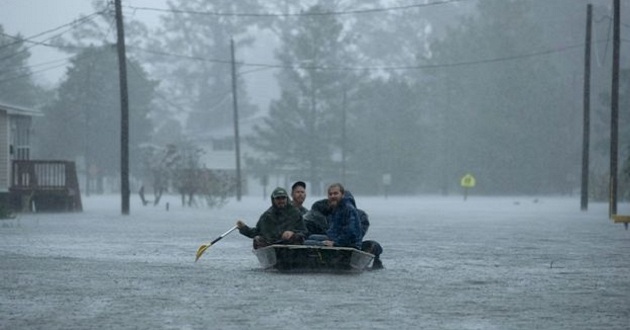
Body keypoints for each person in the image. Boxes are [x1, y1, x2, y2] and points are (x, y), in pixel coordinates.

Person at [304, 188, 384, 269]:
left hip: (347, 244)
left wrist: (335, 242)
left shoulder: (355, 214)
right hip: (338, 241)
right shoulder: (335, 212)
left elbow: (353, 234)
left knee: (309, 241)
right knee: (311, 238)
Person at [236, 187, 306, 249]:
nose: (281, 201)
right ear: (273, 200)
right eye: (278, 198)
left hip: (290, 247)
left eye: (283, 198)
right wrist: (243, 228)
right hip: (271, 246)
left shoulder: (295, 213)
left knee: (297, 237)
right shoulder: (267, 216)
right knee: (257, 239)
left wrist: (292, 233)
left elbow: (304, 231)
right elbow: (257, 232)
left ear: (287, 198)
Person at [304, 183, 363, 249]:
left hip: (349, 244)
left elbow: (351, 232)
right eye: (330, 194)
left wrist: (335, 243)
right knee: (312, 237)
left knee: (307, 243)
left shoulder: (348, 208)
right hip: (336, 239)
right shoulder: (337, 208)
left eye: (335, 193)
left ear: (342, 194)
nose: (333, 196)